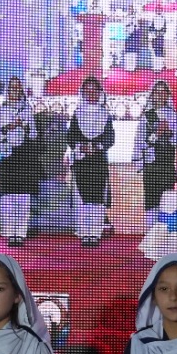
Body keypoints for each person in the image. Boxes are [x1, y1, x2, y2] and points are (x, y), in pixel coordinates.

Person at [68, 76, 115, 247]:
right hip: (81, 162)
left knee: (96, 199)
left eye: (94, 90)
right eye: (87, 90)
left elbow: (111, 138)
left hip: (98, 162)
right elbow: (71, 137)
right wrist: (81, 147)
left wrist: (96, 147)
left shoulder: (106, 115)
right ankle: (84, 232)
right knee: (82, 198)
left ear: (99, 92)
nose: (91, 94)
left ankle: (94, 233)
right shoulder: (77, 114)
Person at [0, 76, 41, 247]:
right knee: (8, 198)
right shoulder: (1, 110)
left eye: (17, 88)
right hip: (8, 156)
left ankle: (20, 233)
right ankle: (9, 232)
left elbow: (34, 134)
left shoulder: (27, 109)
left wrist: (24, 126)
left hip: (24, 155)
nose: (15, 91)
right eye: (12, 88)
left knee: (23, 198)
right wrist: (8, 128)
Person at [133, 79, 177, 232]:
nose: (161, 95)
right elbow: (140, 141)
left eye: (164, 92)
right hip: (151, 163)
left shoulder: (172, 114)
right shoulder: (146, 116)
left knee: (167, 199)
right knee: (152, 199)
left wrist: (169, 133)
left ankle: (165, 234)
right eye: (157, 92)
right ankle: (151, 233)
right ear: (152, 95)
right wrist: (157, 134)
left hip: (167, 162)